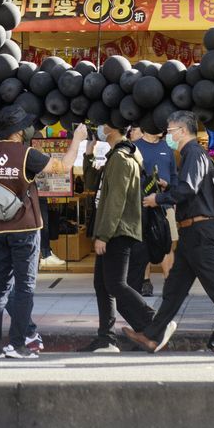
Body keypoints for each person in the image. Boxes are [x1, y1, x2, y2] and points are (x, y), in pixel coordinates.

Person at [130, 110, 214, 354]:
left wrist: (159, 198)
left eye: (170, 131)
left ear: (183, 131)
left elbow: (188, 188)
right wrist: (169, 187)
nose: (168, 135)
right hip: (191, 232)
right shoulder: (190, 154)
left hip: (199, 230)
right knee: (174, 289)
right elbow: (188, 187)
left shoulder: (194, 153)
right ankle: (152, 335)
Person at [0, 106, 82, 360]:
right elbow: (63, 167)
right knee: (24, 287)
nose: (28, 129)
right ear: (17, 131)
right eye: (24, 125)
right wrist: (77, 139)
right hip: (25, 228)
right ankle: (17, 344)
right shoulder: (26, 154)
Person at [86, 122, 149, 352]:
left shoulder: (122, 158)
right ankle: (106, 338)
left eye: (103, 124)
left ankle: (154, 321)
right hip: (113, 228)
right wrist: (88, 153)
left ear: (112, 129)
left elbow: (117, 200)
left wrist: (104, 235)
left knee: (115, 283)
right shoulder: (116, 155)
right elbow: (92, 184)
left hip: (118, 229)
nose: (100, 128)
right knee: (102, 285)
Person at [128, 122, 174, 296]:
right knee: (143, 243)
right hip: (142, 204)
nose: (163, 129)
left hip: (165, 203)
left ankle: (169, 281)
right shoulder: (134, 147)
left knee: (168, 242)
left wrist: (169, 188)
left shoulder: (167, 147)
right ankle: (145, 281)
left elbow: (174, 175)